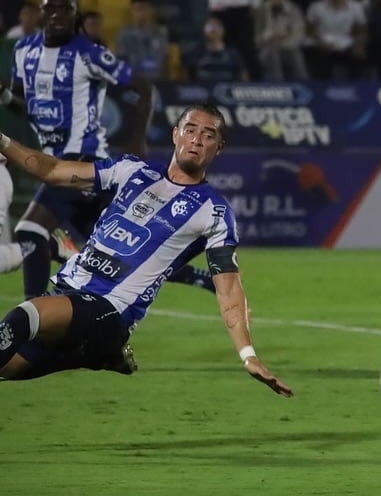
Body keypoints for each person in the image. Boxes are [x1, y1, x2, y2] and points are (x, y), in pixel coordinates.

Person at [0, 103, 291, 397]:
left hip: (110, 311)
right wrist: (3, 141)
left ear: (219, 148)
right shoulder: (131, 170)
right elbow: (53, 171)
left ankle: (101, 352)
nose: (197, 140)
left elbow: (228, 289)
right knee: (5, 367)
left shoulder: (214, 212)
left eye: (208, 135)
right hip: (68, 293)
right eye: (190, 130)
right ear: (175, 134)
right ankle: (96, 357)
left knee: (24, 317)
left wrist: (248, 355)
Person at [2, 0, 214, 299]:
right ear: (40, 11)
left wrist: (137, 139)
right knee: (118, 250)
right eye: (51, 7)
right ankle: (197, 277)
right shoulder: (23, 50)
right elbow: (23, 100)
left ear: (76, 14)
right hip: (54, 162)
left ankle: (36, 313)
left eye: (65, 9)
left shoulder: (88, 54)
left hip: (83, 161)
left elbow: (144, 87)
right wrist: (6, 96)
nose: (57, 14)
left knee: (30, 230)